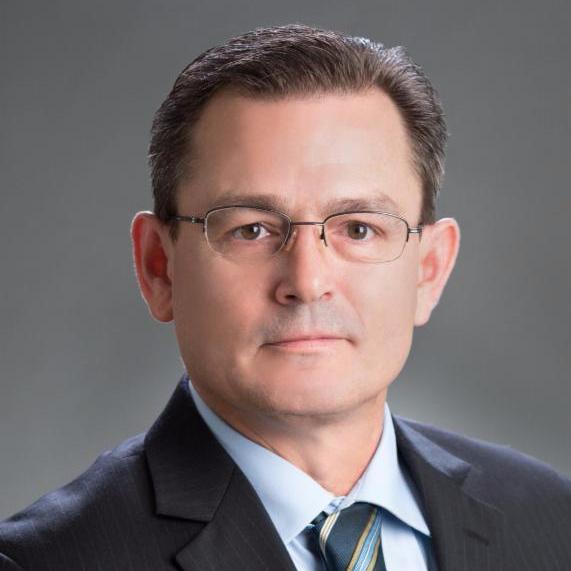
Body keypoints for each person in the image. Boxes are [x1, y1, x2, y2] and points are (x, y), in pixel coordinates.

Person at [0, 23, 569, 571]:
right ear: (159, 268)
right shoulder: (46, 560)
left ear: (429, 269)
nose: (307, 281)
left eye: (359, 228)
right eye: (251, 229)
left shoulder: (552, 521)